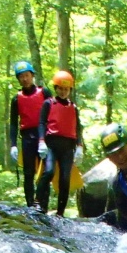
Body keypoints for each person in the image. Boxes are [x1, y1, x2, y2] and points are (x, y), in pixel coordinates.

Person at [35, 70, 83, 217]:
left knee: (65, 178)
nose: (63, 92)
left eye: (66, 89)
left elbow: (78, 127)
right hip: (51, 144)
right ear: (56, 88)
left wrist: (80, 146)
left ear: (70, 90)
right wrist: (41, 141)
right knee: (48, 172)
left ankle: (60, 211)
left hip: (68, 146)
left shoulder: (73, 107)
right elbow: (42, 123)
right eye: (60, 88)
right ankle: (38, 202)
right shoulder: (48, 103)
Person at [8, 61, 52, 208]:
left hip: (44, 136)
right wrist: (13, 144)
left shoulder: (44, 93)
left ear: (32, 75)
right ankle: (29, 205)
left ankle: (43, 204)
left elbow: (54, 114)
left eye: (26, 75)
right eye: (21, 77)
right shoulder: (16, 99)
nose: (24, 79)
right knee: (28, 173)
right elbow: (14, 123)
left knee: (45, 172)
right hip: (27, 138)